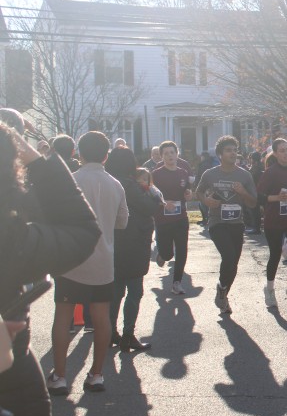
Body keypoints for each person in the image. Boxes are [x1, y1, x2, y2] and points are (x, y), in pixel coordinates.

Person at [0, 118, 100, 416]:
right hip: (10, 376)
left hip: (14, 368)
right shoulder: (10, 233)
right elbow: (81, 230)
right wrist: (35, 158)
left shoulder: (13, 231)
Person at [49, 131, 129, 394]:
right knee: (101, 316)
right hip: (103, 259)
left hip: (70, 258)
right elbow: (122, 222)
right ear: (106, 155)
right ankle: (96, 374)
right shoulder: (115, 184)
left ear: (79, 154)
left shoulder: (69, 181)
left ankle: (60, 375)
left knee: (63, 315)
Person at [105, 148, 161, 352]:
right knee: (135, 291)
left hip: (112, 241)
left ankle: (110, 332)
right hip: (135, 241)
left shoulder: (107, 183)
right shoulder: (131, 186)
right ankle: (128, 335)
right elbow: (150, 207)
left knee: (115, 291)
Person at [196, 136, 258, 314]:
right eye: (228, 150)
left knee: (234, 263)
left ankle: (223, 293)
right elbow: (198, 192)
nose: (233, 153)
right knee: (229, 256)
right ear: (220, 154)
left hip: (237, 222)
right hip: (217, 222)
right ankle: (222, 291)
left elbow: (253, 203)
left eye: (235, 150)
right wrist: (206, 201)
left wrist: (242, 192)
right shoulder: (210, 174)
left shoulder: (244, 175)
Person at [256, 138, 287, 308]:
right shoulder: (270, 172)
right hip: (274, 220)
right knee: (275, 254)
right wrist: (277, 197)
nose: (286, 153)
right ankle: (270, 289)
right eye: (282, 151)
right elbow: (259, 197)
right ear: (276, 154)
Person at [152, 141, 193, 295]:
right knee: (168, 254)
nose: (170, 156)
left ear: (177, 154)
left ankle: (177, 282)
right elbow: (150, 194)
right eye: (166, 153)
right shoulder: (156, 174)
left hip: (181, 217)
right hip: (163, 219)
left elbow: (187, 190)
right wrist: (163, 202)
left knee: (182, 249)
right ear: (161, 157)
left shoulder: (183, 172)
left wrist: (188, 194)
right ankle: (162, 255)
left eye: (172, 152)